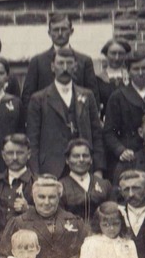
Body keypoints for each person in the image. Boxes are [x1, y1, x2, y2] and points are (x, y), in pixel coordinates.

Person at [25, 48, 105, 179]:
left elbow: (96, 134)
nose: (65, 68)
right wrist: (35, 172)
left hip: (83, 165)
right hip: (51, 168)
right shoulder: (39, 99)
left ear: (75, 67)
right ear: (52, 67)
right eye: (60, 63)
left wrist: (98, 169)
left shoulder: (87, 95)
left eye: (69, 63)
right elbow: (32, 139)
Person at [20, 13, 100, 100]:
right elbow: (27, 97)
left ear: (71, 31)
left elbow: (92, 96)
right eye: (55, 30)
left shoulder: (84, 61)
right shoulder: (37, 62)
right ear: (49, 33)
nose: (60, 33)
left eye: (64, 29)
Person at [59, 138, 115, 230]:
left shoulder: (104, 185)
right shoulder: (60, 186)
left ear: (91, 159)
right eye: (76, 156)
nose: (81, 160)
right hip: (71, 237)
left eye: (85, 156)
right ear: (67, 160)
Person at [0, 134, 37, 220]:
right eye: (10, 153)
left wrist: (28, 209)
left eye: (20, 153)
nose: (15, 158)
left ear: (29, 154)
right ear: (3, 155)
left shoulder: (37, 183)